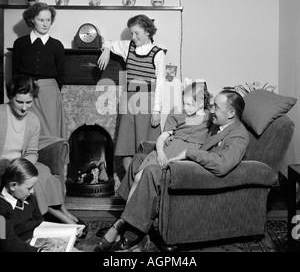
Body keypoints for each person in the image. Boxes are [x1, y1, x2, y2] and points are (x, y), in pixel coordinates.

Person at [94, 90, 250, 252]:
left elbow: (223, 164)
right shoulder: (217, 123)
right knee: (138, 160)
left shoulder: (239, 135)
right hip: (187, 162)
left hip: (197, 174)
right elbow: (194, 129)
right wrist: (173, 139)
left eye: (216, 107)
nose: (211, 110)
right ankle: (128, 219)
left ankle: (131, 232)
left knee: (152, 171)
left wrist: (187, 153)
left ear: (231, 113)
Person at [0, 75, 86, 230]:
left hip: (20, 161)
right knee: (33, 179)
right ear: (11, 97)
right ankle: (58, 218)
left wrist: (23, 164)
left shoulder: (33, 120)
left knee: (44, 171)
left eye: (29, 102)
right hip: (2, 163)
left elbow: (32, 151)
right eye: (19, 102)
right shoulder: (1, 114)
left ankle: (62, 210)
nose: (24, 107)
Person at [97, 14, 166, 173]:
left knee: (145, 149)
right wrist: (107, 50)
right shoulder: (128, 46)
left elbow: (161, 84)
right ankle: (132, 189)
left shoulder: (158, 53)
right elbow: (109, 43)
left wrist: (157, 111)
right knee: (126, 150)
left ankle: (144, 187)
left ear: (148, 32)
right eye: (131, 33)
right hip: (128, 101)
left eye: (137, 33)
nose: (133, 37)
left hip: (147, 102)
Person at [0, 158, 83, 252]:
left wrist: (70, 231)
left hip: (35, 241)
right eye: (29, 188)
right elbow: (7, 244)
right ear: (13, 186)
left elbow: (40, 224)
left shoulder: (29, 199)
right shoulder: (2, 211)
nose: (32, 192)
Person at [12, 2, 66, 139]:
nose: (45, 24)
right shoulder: (20, 44)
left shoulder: (57, 45)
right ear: (32, 20)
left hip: (49, 92)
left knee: (50, 130)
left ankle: (50, 159)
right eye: (41, 20)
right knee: (26, 130)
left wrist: (50, 89)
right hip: (25, 92)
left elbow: (62, 74)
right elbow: (15, 73)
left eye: (48, 20)